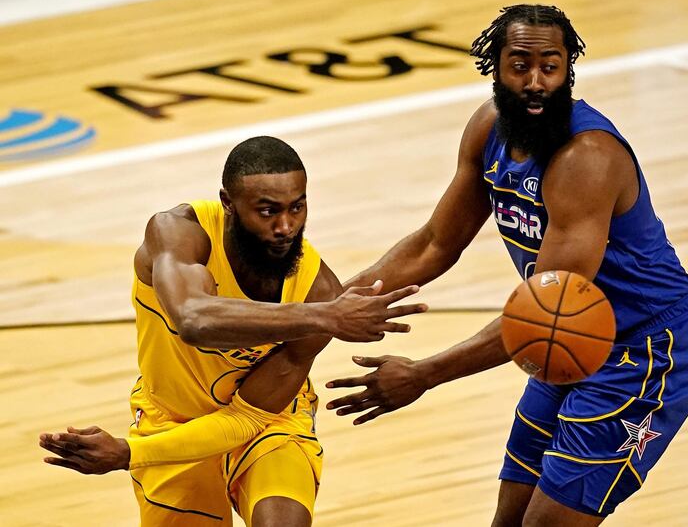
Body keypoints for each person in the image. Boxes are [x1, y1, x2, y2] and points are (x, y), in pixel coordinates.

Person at [325, 4, 688, 526]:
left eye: (549, 66)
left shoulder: (586, 158)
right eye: (520, 65)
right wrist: (323, 314)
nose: (534, 81)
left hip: (643, 352)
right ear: (496, 67)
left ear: (568, 70)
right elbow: (435, 244)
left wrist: (422, 374)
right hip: (572, 340)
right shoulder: (488, 128)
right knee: (508, 520)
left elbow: (546, 313)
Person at [39, 136, 426, 527]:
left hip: (267, 423)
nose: (285, 226)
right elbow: (193, 319)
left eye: (297, 207)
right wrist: (322, 318)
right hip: (172, 420)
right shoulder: (179, 233)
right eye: (267, 211)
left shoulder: (318, 289)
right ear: (228, 203)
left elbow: (245, 418)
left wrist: (127, 454)